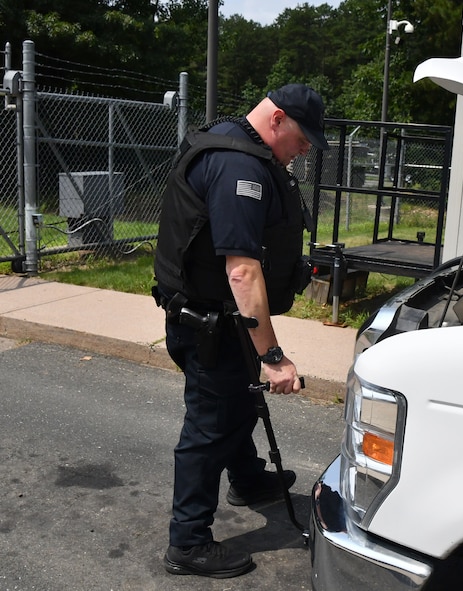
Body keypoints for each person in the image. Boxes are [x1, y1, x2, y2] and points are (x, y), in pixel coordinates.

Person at [152, 84, 329, 579]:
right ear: (276, 120)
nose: (306, 148)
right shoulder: (239, 166)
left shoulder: (236, 142)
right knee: (210, 427)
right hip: (212, 324)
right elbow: (242, 272)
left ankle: (248, 480)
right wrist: (273, 355)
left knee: (236, 404)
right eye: (302, 136)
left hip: (224, 321)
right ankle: (187, 542)